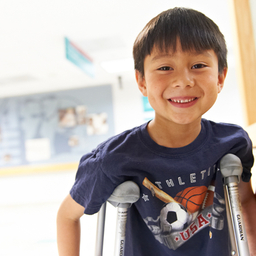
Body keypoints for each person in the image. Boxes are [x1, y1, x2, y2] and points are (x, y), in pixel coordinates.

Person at [57, 7, 256, 256]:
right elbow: (67, 216)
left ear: (220, 77)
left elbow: (245, 200)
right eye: (165, 68)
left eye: (198, 65)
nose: (183, 81)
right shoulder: (114, 159)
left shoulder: (233, 143)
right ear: (141, 81)